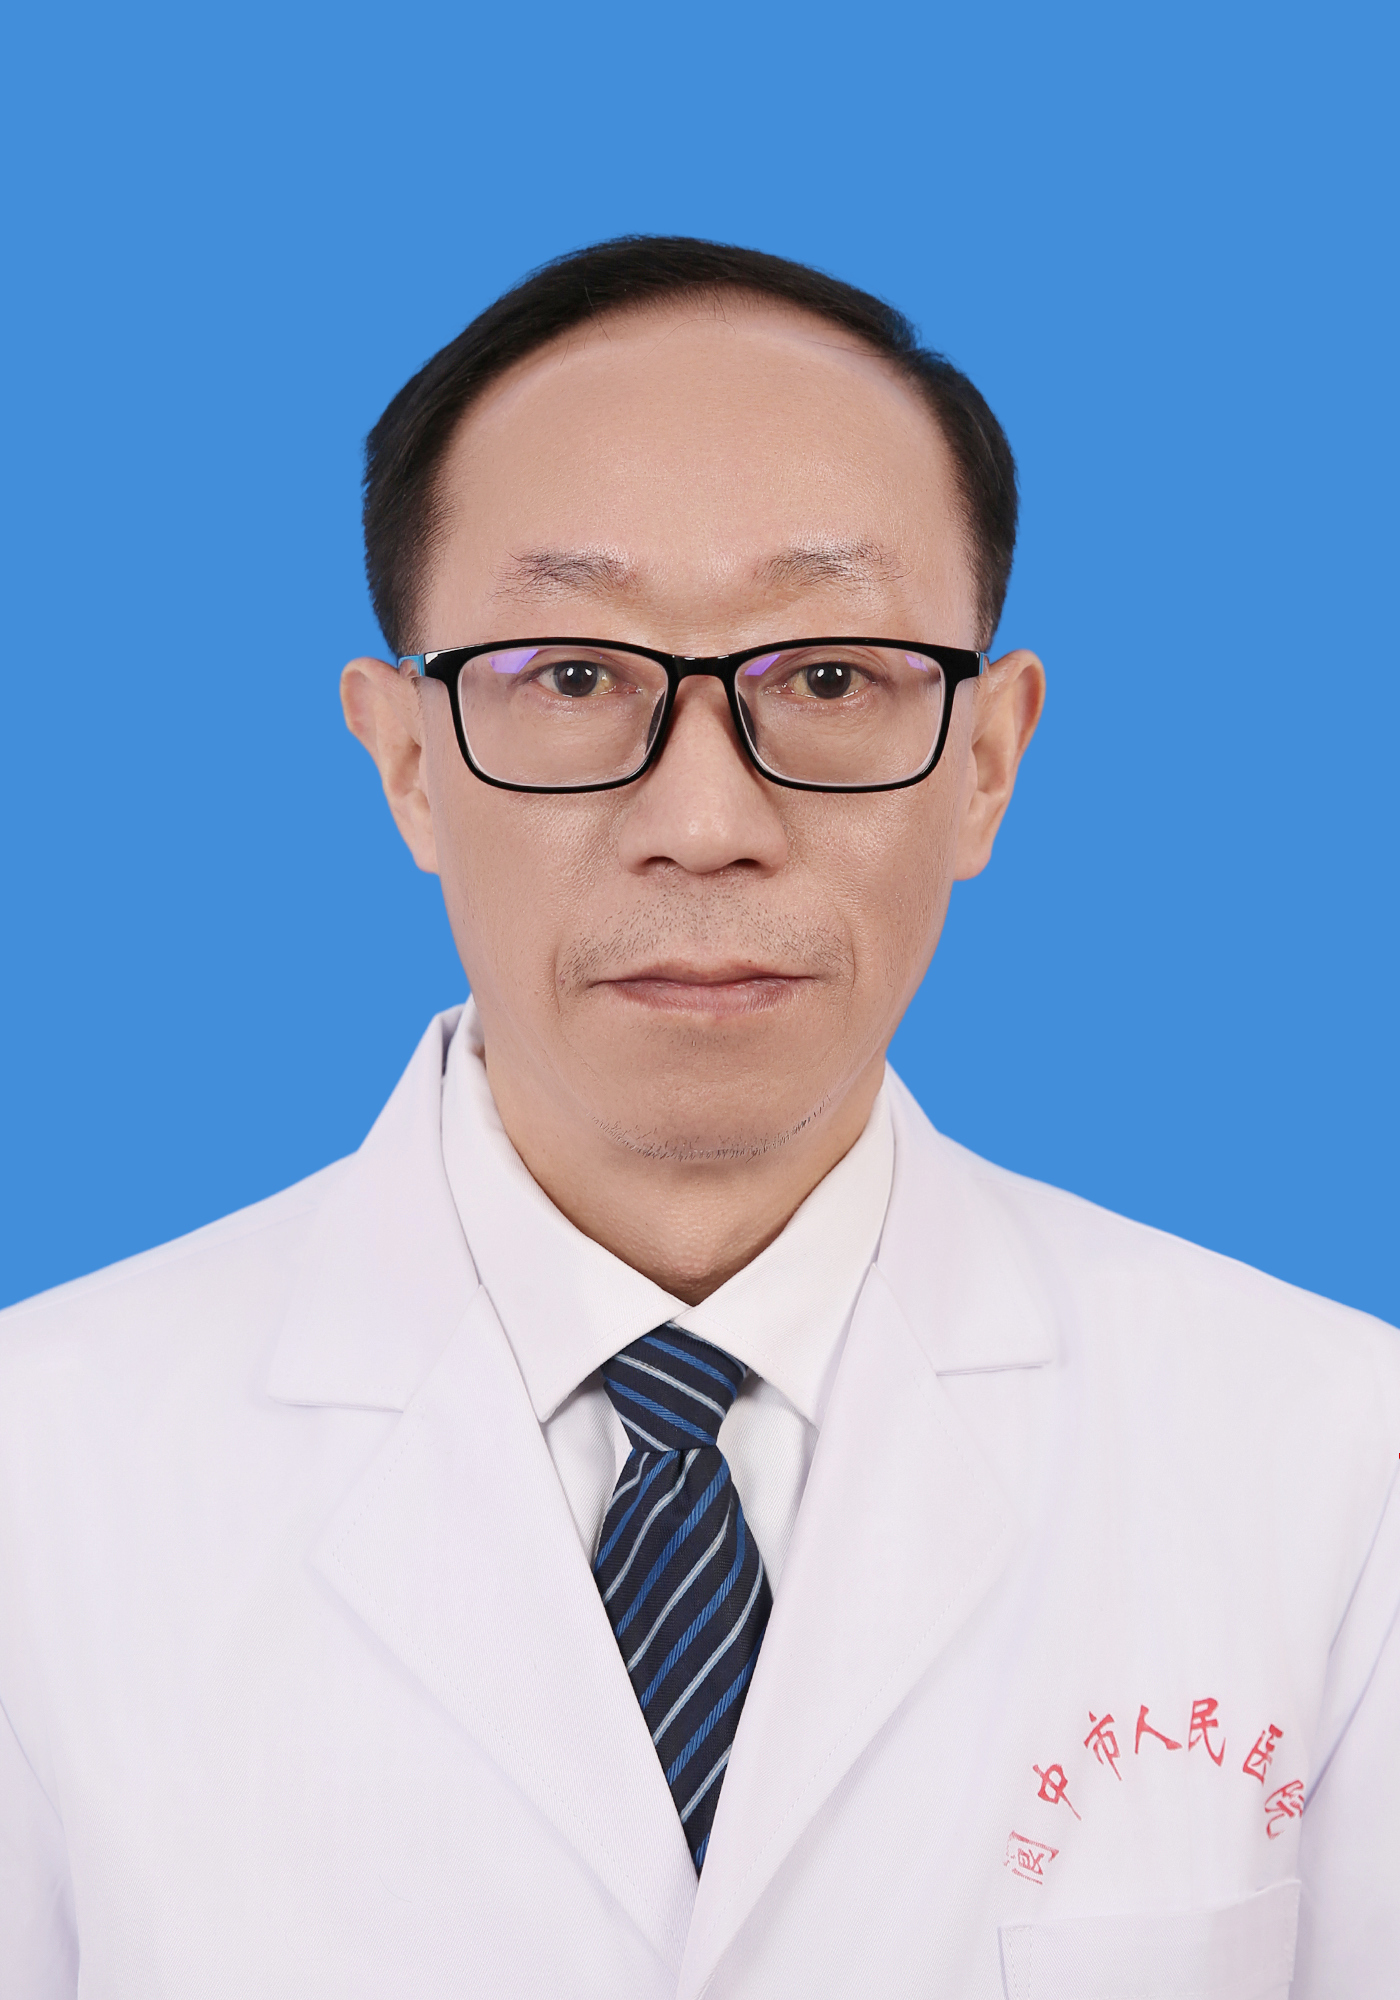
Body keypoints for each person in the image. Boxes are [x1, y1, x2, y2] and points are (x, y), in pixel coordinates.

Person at [0, 236, 1395, 2000]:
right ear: (407, 759)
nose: (707, 822)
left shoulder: (1336, 1460)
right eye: (575, 678)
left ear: (986, 761)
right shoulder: (39, 1476)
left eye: (832, 678)